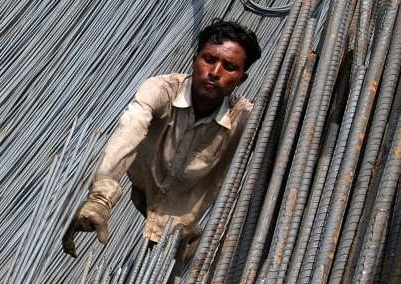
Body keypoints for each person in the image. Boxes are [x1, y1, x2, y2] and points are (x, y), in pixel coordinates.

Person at [62, 20, 261, 260]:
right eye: (209, 60)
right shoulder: (162, 90)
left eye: (229, 67)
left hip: (184, 225)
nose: (215, 73)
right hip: (143, 190)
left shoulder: (245, 119)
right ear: (195, 59)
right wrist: (100, 199)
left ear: (242, 78)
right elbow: (129, 132)